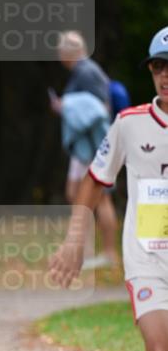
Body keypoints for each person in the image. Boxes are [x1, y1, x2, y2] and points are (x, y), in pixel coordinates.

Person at [50, 26, 168, 351]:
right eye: (160, 68)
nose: (165, 77)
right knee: (161, 350)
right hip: (148, 257)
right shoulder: (129, 124)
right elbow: (95, 183)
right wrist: (76, 239)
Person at [51, 30, 119, 269]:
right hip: (85, 146)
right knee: (76, 194)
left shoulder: (86, 72)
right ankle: (87, 251)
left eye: (60, 51)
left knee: (100, 198)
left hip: (93, 146)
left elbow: (100, 109)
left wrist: (66, 105)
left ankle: (108, 254)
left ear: (69, 52)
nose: (59, 57)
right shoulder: (83, 72)